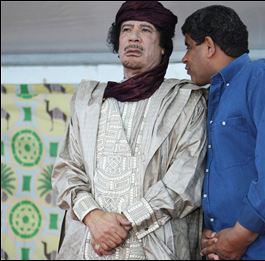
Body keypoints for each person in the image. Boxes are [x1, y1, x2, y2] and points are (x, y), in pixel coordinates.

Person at [52, 1, 208, 260]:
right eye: (126, 29)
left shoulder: (186, 101)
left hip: (158, 248)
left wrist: (121, 223)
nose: (134, 37)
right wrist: (94, 217)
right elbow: (67, 170)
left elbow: (186, 179)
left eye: (146, 30)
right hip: (89, 246)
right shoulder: (88, 101)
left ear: (163, 48)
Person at [181, 4, 265, 260]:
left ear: (209, 46)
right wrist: (211, 236)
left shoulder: (263, 75)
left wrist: (240, 235)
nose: (185, 58)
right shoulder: (213, 97)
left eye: (189, 46)